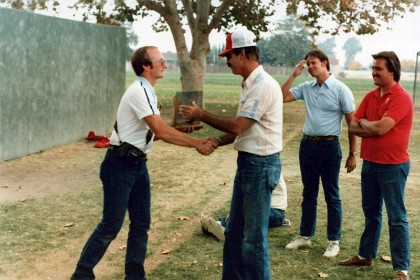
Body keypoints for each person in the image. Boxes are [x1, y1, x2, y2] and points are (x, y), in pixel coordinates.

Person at [70, 46, 215, 280]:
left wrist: (181, 131)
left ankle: (135, 276)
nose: (165, 64)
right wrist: (196, 143)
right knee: (111, 225)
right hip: (120, 165)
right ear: (146, 67)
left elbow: (156, 132)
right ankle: (81, 275)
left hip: (137, 165)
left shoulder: (148, 91)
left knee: (140, 225)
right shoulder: (139, 91)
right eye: (160, 61)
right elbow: (160, 130)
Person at [180, 28, 283, 280]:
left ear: (244, 53)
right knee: (234, 233)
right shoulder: (250, 84)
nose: (226, 61)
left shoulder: (262, 85)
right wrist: (216, 140)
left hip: (260, 166)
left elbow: (238, 126)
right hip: (249, 164)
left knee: (253, 239)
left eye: (230, 55)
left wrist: (202, 115)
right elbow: (244, 129)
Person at [339, 51, 413, 280]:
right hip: (370, 163)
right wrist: (369, 126)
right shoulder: (371, 96)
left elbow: (381, 129)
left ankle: (401, 269)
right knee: (371, 213)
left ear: (392, 71)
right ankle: (365, 256)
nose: (374, 72)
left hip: (392, 166)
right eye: (373, 68)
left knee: (396, 216)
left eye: (378, 69)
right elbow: (352, 126)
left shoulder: (401, 97)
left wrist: (367, 126)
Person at [281, 49, 357, 259]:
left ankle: (333, 241)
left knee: (332, 195)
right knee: (309, 193)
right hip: (308, 146)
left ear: (325, 63)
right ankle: (305, 236)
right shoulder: (307, 87)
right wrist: (294, 74)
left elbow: (353, 124)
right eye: (308, 65)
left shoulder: (341, 90)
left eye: (314, 63)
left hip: (330, 147)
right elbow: (280, 96)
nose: (310, 67)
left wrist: (353, 153)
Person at [201, 173, 291, 241]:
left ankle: (224, 229)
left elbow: (256, 197)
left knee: (248, 213)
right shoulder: (261, 170)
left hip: (276, 213)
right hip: (266, 210)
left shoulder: (270, 171)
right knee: (246, 213)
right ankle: (218, 224)